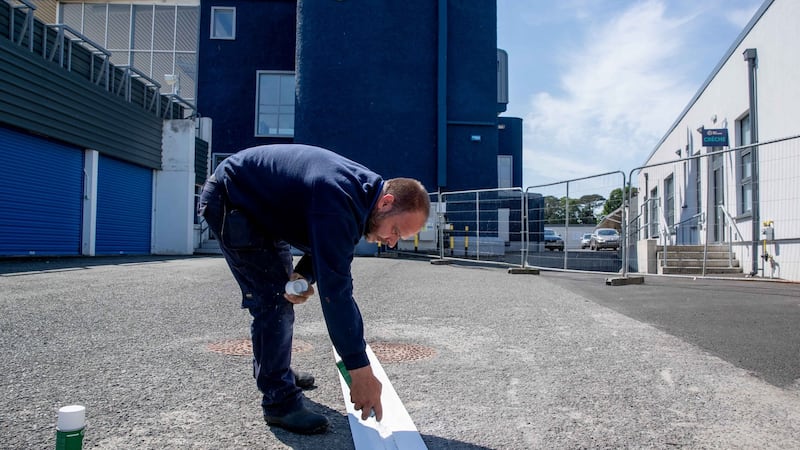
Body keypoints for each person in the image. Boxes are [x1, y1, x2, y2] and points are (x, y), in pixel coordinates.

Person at [197, 144, 429, 435]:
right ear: (386, 203)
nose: (392, 241)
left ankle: (276, 368)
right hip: (232, 199)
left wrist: (304, 274)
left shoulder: (362, 198)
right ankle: (279, 402)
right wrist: (360, 371)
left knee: (284, 291)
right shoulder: (340, 197)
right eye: (395, 230)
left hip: (262, 210)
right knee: (272, 300)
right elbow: (337, 293)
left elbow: (326, 244)